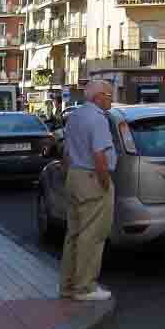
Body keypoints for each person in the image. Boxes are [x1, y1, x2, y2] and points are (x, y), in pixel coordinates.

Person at [60, 80, 117, 302]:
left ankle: (68, 285)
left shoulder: (76, 116)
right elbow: (100, 156)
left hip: (75, 175)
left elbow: (66, 151)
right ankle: (85, 287)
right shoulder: (97, 119)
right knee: (92, 235)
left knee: (74, 234)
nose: (111, 99)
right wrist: (105, 183)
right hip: (92, 177)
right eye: (109, 95)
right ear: (98, 97)